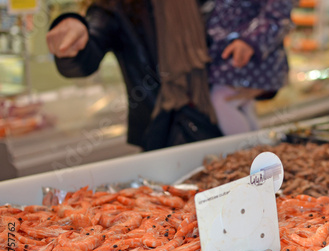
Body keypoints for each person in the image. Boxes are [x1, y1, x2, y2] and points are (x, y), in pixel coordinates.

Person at [46, 0, 221, 151]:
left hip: (223, 119)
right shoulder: (115, 7)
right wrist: (71, 40)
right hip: (161, 132)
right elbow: (86, 59)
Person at [206, 0, 293, 136]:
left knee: (222, 100)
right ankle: (253, 149)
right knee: (241, 104)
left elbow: (277, 15)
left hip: (248, 59)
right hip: (235, 57)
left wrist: (250, 41)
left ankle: (244, 151)